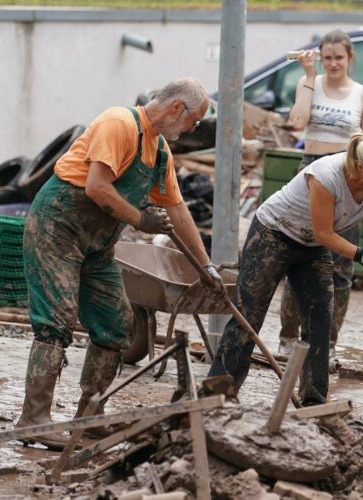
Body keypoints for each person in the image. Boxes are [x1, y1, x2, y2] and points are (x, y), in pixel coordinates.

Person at [16, 77, 222, 450]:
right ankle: (34, 419)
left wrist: (205, 266)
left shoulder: (159, 152)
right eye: (194, 121)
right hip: (57, 228)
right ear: (177, 108)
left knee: (117, 324)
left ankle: (89, 417)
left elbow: (176, 209)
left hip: (97, 245)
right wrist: (141, 220)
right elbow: (97, 187)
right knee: (57, 318)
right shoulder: (119, 124)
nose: (193, 130)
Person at [208, 131, 363, 406]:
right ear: (360, 167)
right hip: (273, 233)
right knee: (249, 315)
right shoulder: (326, 175)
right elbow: (325, 233)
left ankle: (314, 401)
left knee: (320, 321)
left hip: (311, 246)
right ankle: (219, 394)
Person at [279, 29, 363, 364]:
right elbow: (297, 122)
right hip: (313, 170)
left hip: (350, 175)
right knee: (298, 255)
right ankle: (288, 337)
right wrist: (310, 76)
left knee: (340, 267)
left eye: (338, 57)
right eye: (326, 58)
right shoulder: (309, 83)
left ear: (350, 57)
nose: (333, 63)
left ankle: (328, 342)